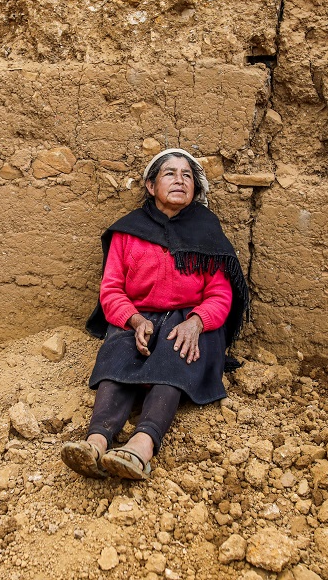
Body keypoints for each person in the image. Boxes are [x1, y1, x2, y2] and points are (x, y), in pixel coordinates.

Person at [62, 148, 249, 480]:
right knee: (116, 357)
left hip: (188, 320)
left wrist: (197, 322)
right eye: (170, 173)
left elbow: (221, 294)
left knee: (173, 359)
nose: (180, 180)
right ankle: (95, 442)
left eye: (187, 175)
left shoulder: (207, 232)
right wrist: (133, 320)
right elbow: (111, 290)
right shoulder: (128, 232)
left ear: (195, 189)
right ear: (150, 186)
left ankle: (141, 447)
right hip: (140, 318)